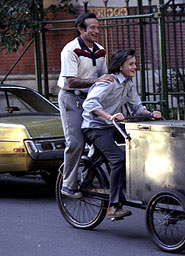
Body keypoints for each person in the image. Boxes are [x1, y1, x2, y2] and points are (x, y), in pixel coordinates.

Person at [81, 48, 162, 219]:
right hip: (95, 127)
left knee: (141, 144)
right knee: (118, 159)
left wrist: (150, 114)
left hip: (113, 126)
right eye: (131, 64)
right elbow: (89, 104)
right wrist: (109, 116)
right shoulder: (108, 82)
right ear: (120, 66)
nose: (135, 67)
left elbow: (136, 107)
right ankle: (113, 207)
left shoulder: (128, 84)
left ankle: (137, 187)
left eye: (135, 63)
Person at [57, 12, 114, 198]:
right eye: (92, 28)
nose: (97, 31)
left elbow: (105, 79)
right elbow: (71, 82)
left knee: (99, 137)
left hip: (90, 100)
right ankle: (68, 184)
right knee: (76, 141)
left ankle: (88, 175)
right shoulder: (70, 50)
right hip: (71, 99)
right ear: (81, 30)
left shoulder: (100, 50)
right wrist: (98, 80)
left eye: (98, 27)